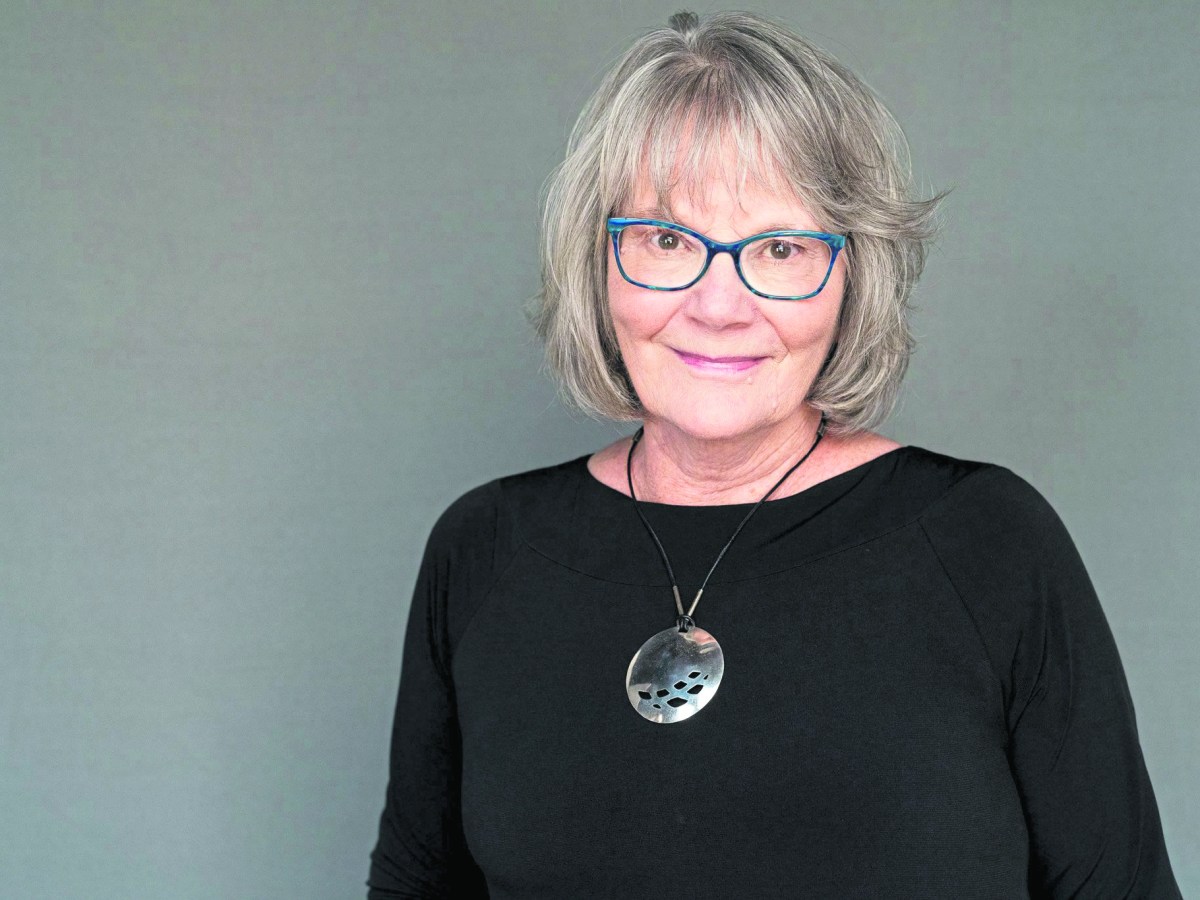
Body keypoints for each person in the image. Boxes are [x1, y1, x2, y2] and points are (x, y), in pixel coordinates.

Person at [367, 10, 1181, 898]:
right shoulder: (486, 552)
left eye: (781, 248)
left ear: (851, 275)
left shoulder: (987, 546)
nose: (719, 306)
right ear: (597, 263)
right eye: (668, 240)